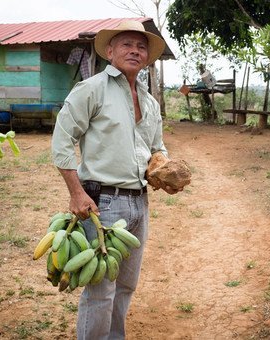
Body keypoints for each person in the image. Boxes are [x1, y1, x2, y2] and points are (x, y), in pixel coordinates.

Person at [51, 20, 174, 339]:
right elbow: (62, 139)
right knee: (100, 290)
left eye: (141, 46)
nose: (135, 50)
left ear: (147, 56)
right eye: (126, 44)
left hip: (139, 204)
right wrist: (76, 192)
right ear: (109, 51)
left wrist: (165, 168)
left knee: (126, 285)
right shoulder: (92, 89)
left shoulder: (149, 101)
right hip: (103, 203)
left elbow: (156, 145)